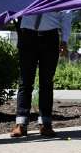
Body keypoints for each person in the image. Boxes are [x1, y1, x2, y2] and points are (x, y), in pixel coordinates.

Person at [11, 8, 72, 138]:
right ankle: (21, 124)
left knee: (46, 82)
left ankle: (45, 124)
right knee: (25, 82)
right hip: (27, 35)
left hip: (50, 37)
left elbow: (66, 13)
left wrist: (65, 40)